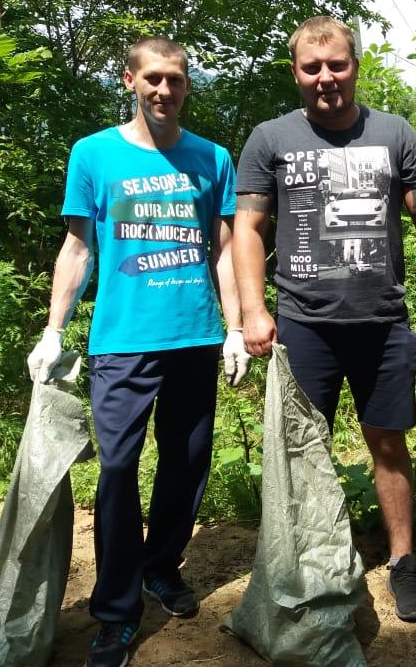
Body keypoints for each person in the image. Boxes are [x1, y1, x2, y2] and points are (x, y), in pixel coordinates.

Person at [26, 36, 250, 667]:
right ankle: (117, 613)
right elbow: (78, 248)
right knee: (119, 469)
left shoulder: (212, 158)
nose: (164, 90)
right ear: (130, 80)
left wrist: (234, 328)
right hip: (121, 343)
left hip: (195, 337)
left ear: (186, 85)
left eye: (175, 79)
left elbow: (224, 250)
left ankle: (161, 566)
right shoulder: (93, 153)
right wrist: (54, 329)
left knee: (187, 462)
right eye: (153, 78)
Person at [232, 16, 416, 623]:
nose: (326, 77)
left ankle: (402, 562)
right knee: (303, 449)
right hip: (304, 324)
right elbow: (248, 227)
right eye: (312, 67)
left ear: (355, 66)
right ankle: (309, 566)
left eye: (337, 65)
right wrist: (252, 311)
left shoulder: (394, 131)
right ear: (296, 73)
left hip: (382, 323)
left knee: (388, 442)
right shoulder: (270, 138)